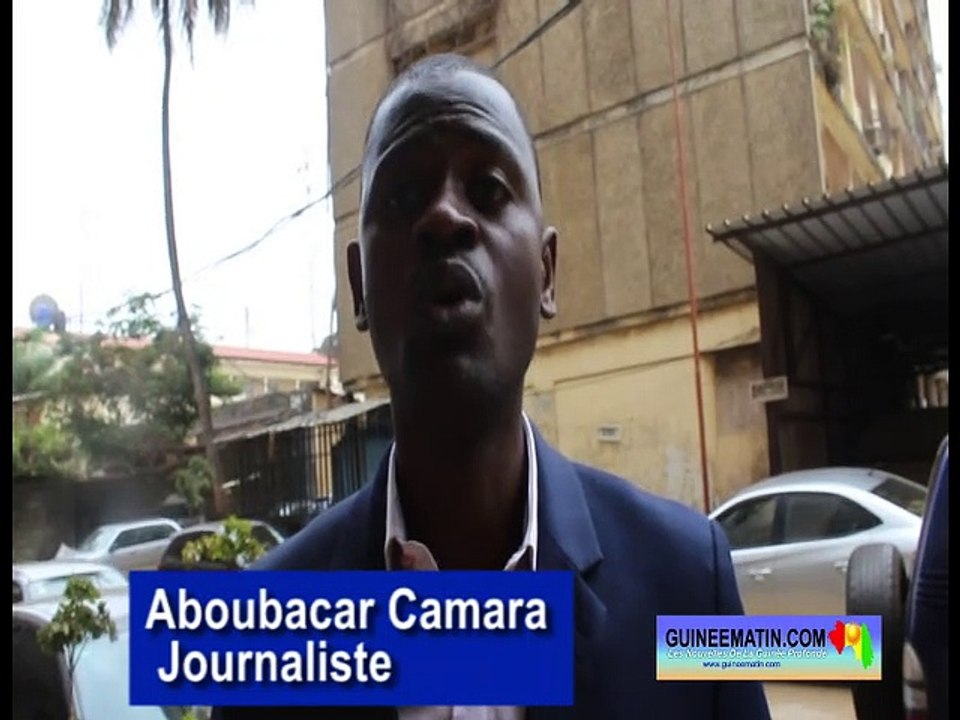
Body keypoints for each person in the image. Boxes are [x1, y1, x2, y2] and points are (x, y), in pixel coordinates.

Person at [213, 53, 771, 720]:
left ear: (547, 272)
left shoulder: (688, 580)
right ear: (359, 288)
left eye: (489, 189)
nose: (446, 218)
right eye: (402, 196)